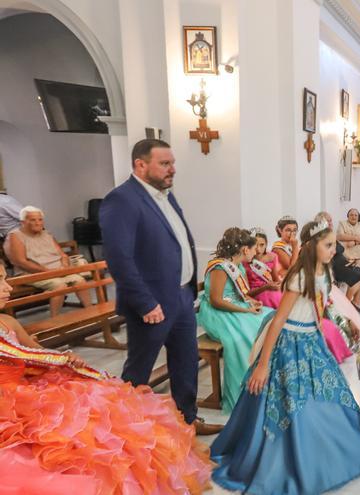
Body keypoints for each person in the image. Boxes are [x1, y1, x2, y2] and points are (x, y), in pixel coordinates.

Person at [0, 266, 212, 494]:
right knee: (60, 441)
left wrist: (65, 358)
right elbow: (21, 354)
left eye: (6, 278)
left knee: (103, 413)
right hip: (10, 400)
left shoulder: (7, 321)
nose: (8, 286)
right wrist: (59, 358)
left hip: (31, 385)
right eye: (0, 280)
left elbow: (35, 350)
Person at [211, 221, 360, 494]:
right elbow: (279, 320)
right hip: (289, 341)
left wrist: (334, 325)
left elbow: (320, 307)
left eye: (332, 245)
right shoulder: (299, 277)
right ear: (312, 246)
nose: (333, 250)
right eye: (328, 245)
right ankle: (293, 457)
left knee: (326, 395)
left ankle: (322, 449)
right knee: (288, 401)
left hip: (310, 339)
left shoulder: (324, 271)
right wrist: (263, 364)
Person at [100, 139, 221, 435]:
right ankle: (128, 432)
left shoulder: (165, 195)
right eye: (165, 164)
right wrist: (145, 303)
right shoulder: (122, 200)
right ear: (141, 165)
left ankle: (187, 420)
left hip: (180, 296)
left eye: (172, 163)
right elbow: (119, 259)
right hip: (152, 304)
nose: (173, 169)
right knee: (139, 370)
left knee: (186, 362)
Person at [197, 227, 274, 413]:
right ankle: (242, 392)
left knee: (268, 318)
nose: (256, 252)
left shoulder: (237, 265)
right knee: (242, 338)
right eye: (254, 248)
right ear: (244, 250)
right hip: (217, 313)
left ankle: (266, 380)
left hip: (233, 308)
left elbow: (241, 294)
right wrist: (244, 309)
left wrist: (250, 302)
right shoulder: (220, 267)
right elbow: (216, 300)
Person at [3, 206, 94, 316]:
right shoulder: (15, 236)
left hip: (56, 271)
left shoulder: (46, 234)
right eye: (33, 220)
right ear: (23, 222)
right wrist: (47, 271)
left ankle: (91, 312)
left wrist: (64, 266)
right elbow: (21, 262)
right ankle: (54, 320)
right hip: (31, 273)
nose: (38, 223)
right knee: (59, 285)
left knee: (80, 280)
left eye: (40, 219)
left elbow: (62, 255)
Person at [316, 211, 360, 314]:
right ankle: (347, 305)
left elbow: (342, 250)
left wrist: (351, 259)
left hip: (343, 263)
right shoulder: (322, 237)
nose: (331, 223)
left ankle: (356, 302)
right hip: (334, 267)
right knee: (357, 277)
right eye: (328, 221)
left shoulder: (331, 234)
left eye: (331, 221)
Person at [245, 228, 283, 309]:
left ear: (266, 244)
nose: (258, 249)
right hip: (254, 293)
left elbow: (276, 280)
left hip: (271, 289)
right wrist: (265, 287)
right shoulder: (245, 260)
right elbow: (245, 292)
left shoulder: (272, 257)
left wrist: (279, 286)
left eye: (262, 245)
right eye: (255, 245)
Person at [337, 208, 360, 272]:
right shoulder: (342, 223)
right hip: (346, 248)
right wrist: (356, 237)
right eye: (351, 215)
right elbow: (340, 236)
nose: (353, 217)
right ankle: (349, 276)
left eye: (355, 215)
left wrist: (354, 242)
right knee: (345, 256)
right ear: (348, 216)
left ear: (358, 217)